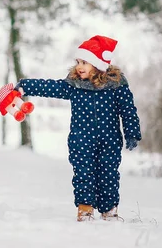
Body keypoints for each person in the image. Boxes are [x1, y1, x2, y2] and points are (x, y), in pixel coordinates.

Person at [15, 35, 141, 221]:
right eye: (78, 62)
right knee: (83, 174)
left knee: (109, 175)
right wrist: (25, 86)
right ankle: (85, 209)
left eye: (85, 62)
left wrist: (132, 133)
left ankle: (109, 211)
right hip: (81, 140)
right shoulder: (74, 86)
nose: (79, 66)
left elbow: (128, 110)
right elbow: (50, 87)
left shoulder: (116, 86)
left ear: (98, 64)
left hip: (110, 140)